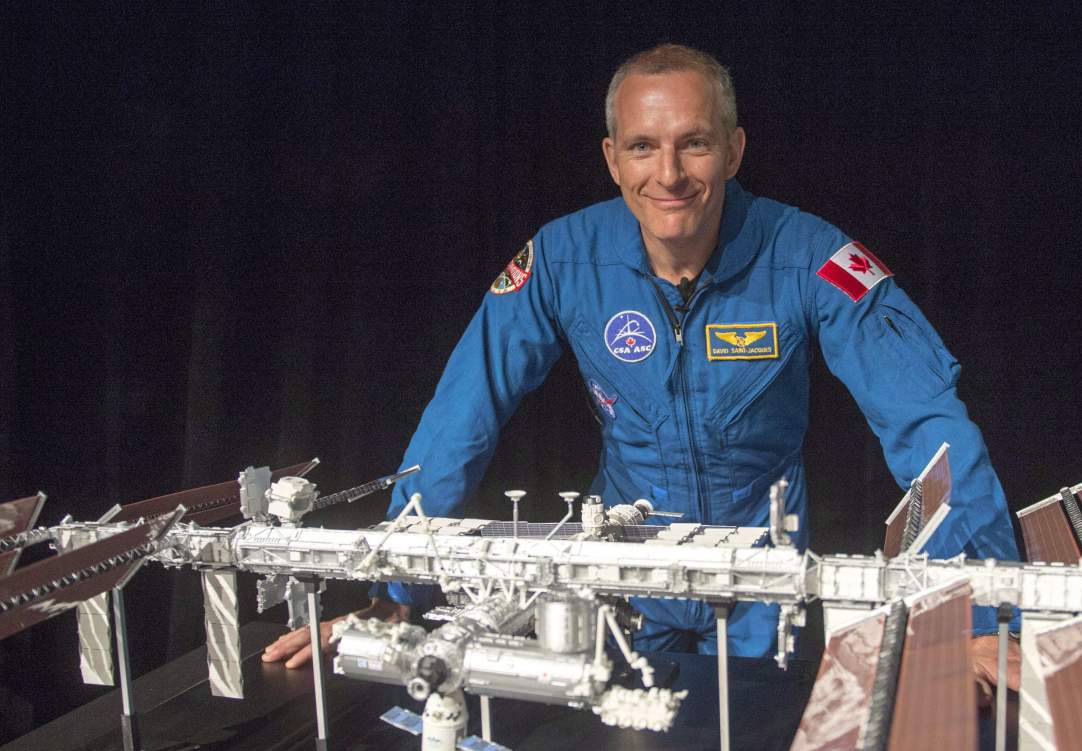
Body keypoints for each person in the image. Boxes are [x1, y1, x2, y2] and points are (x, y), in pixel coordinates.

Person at [264, 44, 1020, 702]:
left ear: (734, 150)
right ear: (611, 158)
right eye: (642, 147)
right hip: (622, 579)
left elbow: (931, 432)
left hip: (760, 584)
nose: (669, 175)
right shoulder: (563, 257)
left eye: (693, 144)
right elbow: (463, 416)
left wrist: (985, 619)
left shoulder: (810, 257)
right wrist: (398, 592)